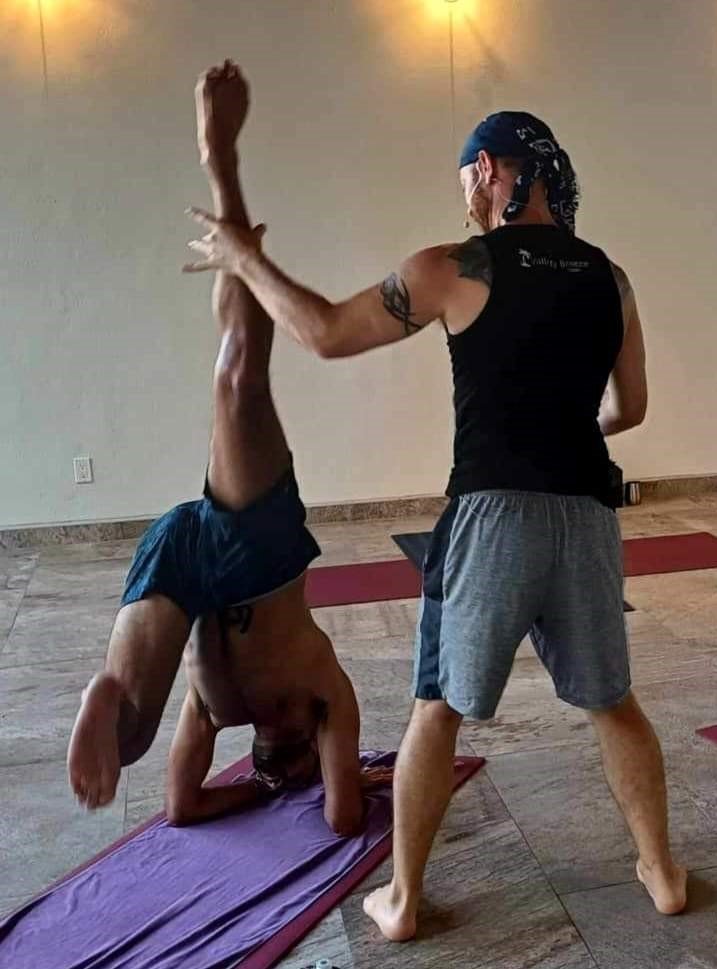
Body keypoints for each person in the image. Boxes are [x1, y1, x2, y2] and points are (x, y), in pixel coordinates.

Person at [185, 102, 687, 932]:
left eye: (465, 179)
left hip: (491, 517)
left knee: (437, 708)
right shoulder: (609, 274)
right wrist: (562, 432)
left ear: (489, 168)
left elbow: (323, 332)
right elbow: (628, 409)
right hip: (588, 516)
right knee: (613, 702)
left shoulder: (457, 265)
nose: (463, 196)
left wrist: (245, 255)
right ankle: (661, 871)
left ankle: (404, 898)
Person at [68, 62, 389, 835]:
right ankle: (223, 168)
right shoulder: (321, 696)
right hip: (253, 547)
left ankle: (106, 689)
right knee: (239, 374)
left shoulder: (223, 711)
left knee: (134, 733)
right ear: (310, 749)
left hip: (191, 559)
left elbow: (183, 805)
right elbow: (344, 818)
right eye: (296, 763)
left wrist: (263, 788)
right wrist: (307, 770)